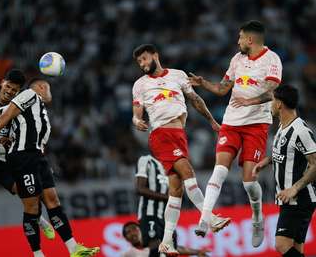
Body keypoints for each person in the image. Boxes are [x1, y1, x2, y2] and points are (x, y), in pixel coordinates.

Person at [189, 20, 283, 247]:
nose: (237, 41)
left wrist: (250, 100)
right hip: (231, 123)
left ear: (250, 40)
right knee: (219, 169)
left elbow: (273, 92)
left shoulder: (272, 59)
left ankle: (257, 218)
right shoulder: (237, 59)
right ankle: (205, 219)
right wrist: (204, 84)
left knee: (249, 183)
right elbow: (223, 88)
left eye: (240, 37)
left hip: (257, 124)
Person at [132, 44, 230, 256]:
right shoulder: (140, 84)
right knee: (188, 172)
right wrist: (136, 119)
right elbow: (137, 108)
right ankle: (209, 217)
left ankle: (167, 242)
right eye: (139, 62)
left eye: (145, 59)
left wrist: (212, 121)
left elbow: (194, 99)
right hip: (161, 135)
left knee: (176, 190)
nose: (142, 64)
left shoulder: (178, 75)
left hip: (179, 134)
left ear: (155, 56)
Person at [0, 77, 99, 257]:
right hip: (23, 158)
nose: (50, 93)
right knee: (31, 207)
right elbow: (6, 115)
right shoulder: (29, 94)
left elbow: (13, 123)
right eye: (48, 88)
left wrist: (9, 137)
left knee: (52, 200)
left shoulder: (37, 107)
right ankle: (38, 254)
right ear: (41, 87)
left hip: (38, 157)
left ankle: (74, 248)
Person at [0, 69, 54, 240]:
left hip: (4, 161)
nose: (9, 91)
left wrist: (9, 140)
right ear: (2, 82)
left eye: (14, 90)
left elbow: (22, 133)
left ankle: (39, 218)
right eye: (8, 86)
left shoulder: (17, 108)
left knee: (26, 192)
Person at [252, 85, 316, 257]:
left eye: (272, 100)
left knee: (281, 245)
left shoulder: (300, 130)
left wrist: (294, 188)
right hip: (288, 198)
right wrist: (266, 161)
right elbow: (285, 152)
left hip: (298, 199)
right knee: (296, 249)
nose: (270, 104)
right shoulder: (283, 127)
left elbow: (315, 163)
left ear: (279, 104)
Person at [122, 221, 210, 257]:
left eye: (134, 229)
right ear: (126, 239)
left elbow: (178, 249)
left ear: (141, 230)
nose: (132, 233)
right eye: (128, 232)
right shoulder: (128, 253)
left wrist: (198, 252)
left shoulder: (153, 244)